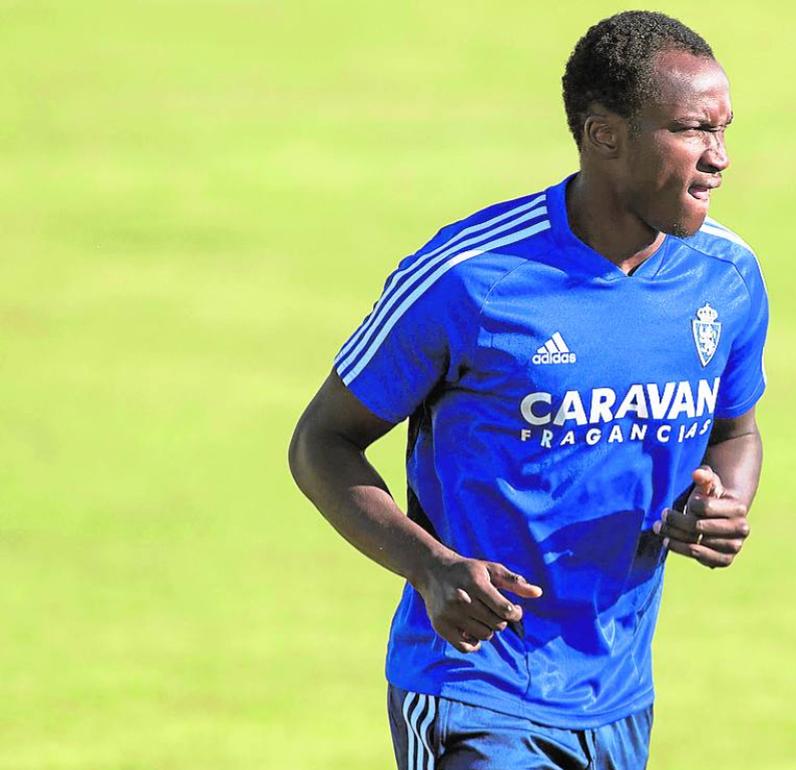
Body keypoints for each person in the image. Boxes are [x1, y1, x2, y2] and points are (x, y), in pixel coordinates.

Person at [288, 10, 768, 769]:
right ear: (603, 133)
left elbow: (735, 429)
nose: (719, 159)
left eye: (724, 130)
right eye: (691, 130)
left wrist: (722, 503)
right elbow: (321, 441)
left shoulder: (728, 278)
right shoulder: (470, 277)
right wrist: (431, 567)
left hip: (617, 694)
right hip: (474, 685)